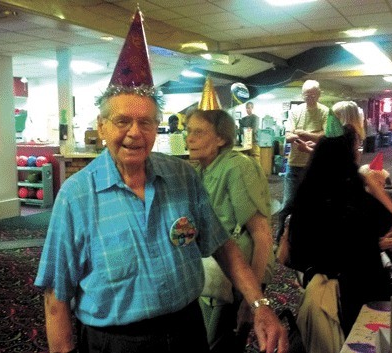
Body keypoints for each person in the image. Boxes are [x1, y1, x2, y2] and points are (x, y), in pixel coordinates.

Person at [34, 9, 288, 353]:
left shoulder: (182, 177)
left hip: (187, 330)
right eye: (123, 120)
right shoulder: (76, 196)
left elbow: (222, 246)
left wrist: (258, 304)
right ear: (102, 125)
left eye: (147, 123)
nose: (135, 134)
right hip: (117, 343)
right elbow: (56, 295)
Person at [289, 125, 392, 349]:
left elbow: (296, 254)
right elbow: (391, 218)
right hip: (361, 288)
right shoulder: (353, 196)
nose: (359, 152)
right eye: (356, 148)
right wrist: (369, 182)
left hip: (320, 292)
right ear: (346, 157)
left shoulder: (306, 193)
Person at [185, 88, 275, 352]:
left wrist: (253, 297)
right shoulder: (202, 169)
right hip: (216, 273)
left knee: (224, 343)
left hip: (242, 273)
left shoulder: (237, 167)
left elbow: (262, 234)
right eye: (188, 131)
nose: (189, 139)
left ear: (222, 138)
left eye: (198, 132)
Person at [275, 80, 328, 242]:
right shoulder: (295, 111)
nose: (309, 97)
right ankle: (279, 238)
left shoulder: (326, 112)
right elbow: (288, 136)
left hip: (315, 167)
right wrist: (310, 134)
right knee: (288, 203)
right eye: (306, 94)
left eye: (312, 94)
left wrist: (301, 132)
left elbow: (325, 136)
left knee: (313, 205)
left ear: (319, 94)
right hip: (294, 165)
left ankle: (307, 239)